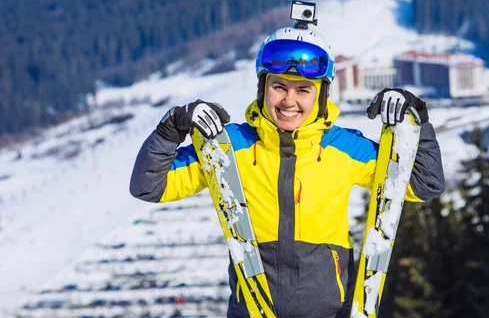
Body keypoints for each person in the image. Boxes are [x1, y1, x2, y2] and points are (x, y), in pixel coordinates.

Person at [130, 21, 445, 318]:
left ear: (321, 94)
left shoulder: (345, 149)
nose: (289, 100)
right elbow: (148, 186)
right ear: (263, 88)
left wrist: (417, 121)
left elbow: (424, 184)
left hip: (330, 313)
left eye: (303, 90)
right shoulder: (229, 148)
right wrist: (171, 127)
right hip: (251, 311)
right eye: (279, 87)